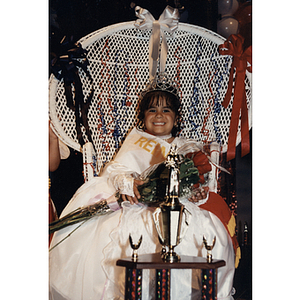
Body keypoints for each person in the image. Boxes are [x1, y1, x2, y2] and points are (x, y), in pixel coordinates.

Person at [49, 74, 236, 300]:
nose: (159, 115)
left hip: (176, 210)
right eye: (152, 110)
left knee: (203, 232)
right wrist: (129, 183)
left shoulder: (185, 146)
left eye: (166, 110)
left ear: (176, 119)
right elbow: (116, 170)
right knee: (127, 234)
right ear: (143, 117)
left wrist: (196, 191)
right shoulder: (136, 139)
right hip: (136, 206)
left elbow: (196, 181)